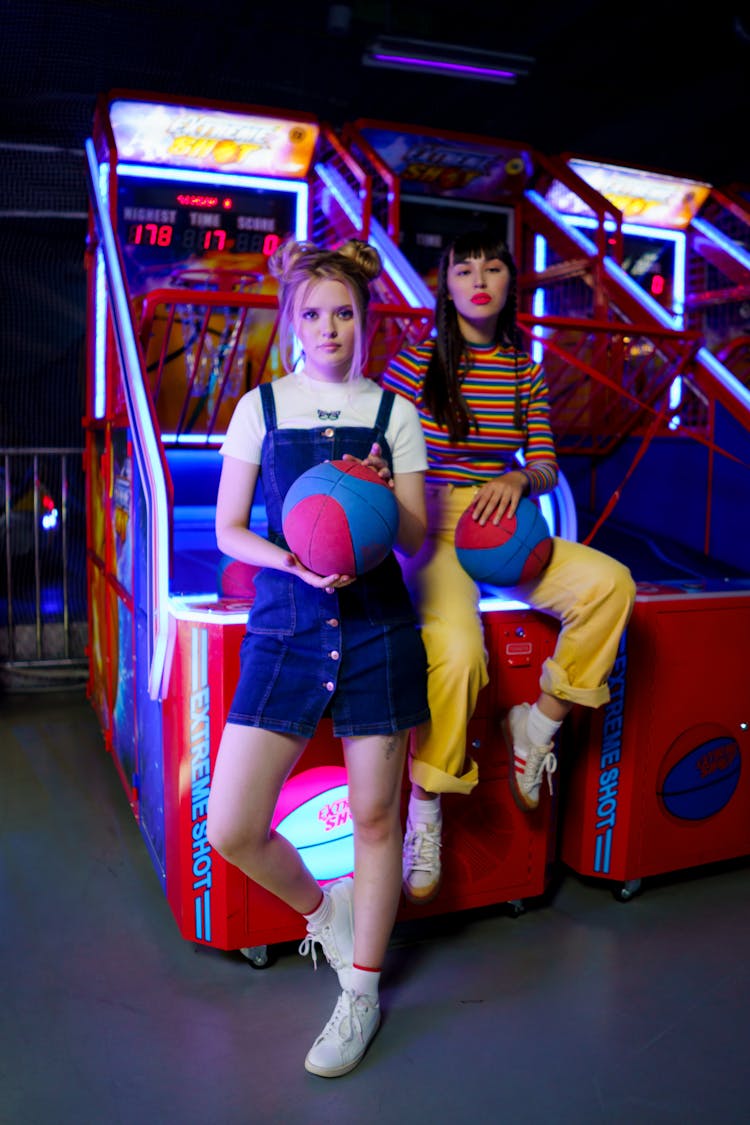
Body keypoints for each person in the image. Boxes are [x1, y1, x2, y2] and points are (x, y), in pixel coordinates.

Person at [206, 238, 430, 1078]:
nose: (328, 327)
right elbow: (232, 529)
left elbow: (412, 535)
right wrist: (291, 562)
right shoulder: (259, 407)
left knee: (378, 820)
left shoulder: (394, 414)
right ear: (292, 320)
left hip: (376, 627)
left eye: (344, 312)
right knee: (232, 824)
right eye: (312, 312)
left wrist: (373, 490)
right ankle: (326, 913)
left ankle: (362, 991)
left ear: (366, 320)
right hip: (287, 625)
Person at [381, 228, 636, 904]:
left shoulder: (525, 369)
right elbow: (379, 451)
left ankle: (538, 722)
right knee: (460, 654)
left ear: (509, 283)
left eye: (493, 266)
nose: (480, 277)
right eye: (465, 268)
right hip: (430, 524)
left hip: (504, 524)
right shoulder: (414, 363)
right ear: (446, 284)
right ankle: (428, 802)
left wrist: (521, 479)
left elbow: (547, 462)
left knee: (611, 584)